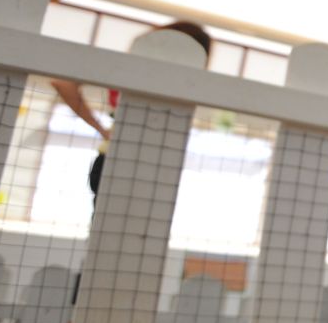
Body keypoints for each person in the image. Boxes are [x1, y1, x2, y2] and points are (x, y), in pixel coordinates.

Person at [50, 20, 213, 197]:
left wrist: (102, 130)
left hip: (117, 158)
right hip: (137, 163)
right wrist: (101, 129)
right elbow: (63, 83)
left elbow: (63, 83)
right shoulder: (179, 81)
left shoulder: (122, 67)